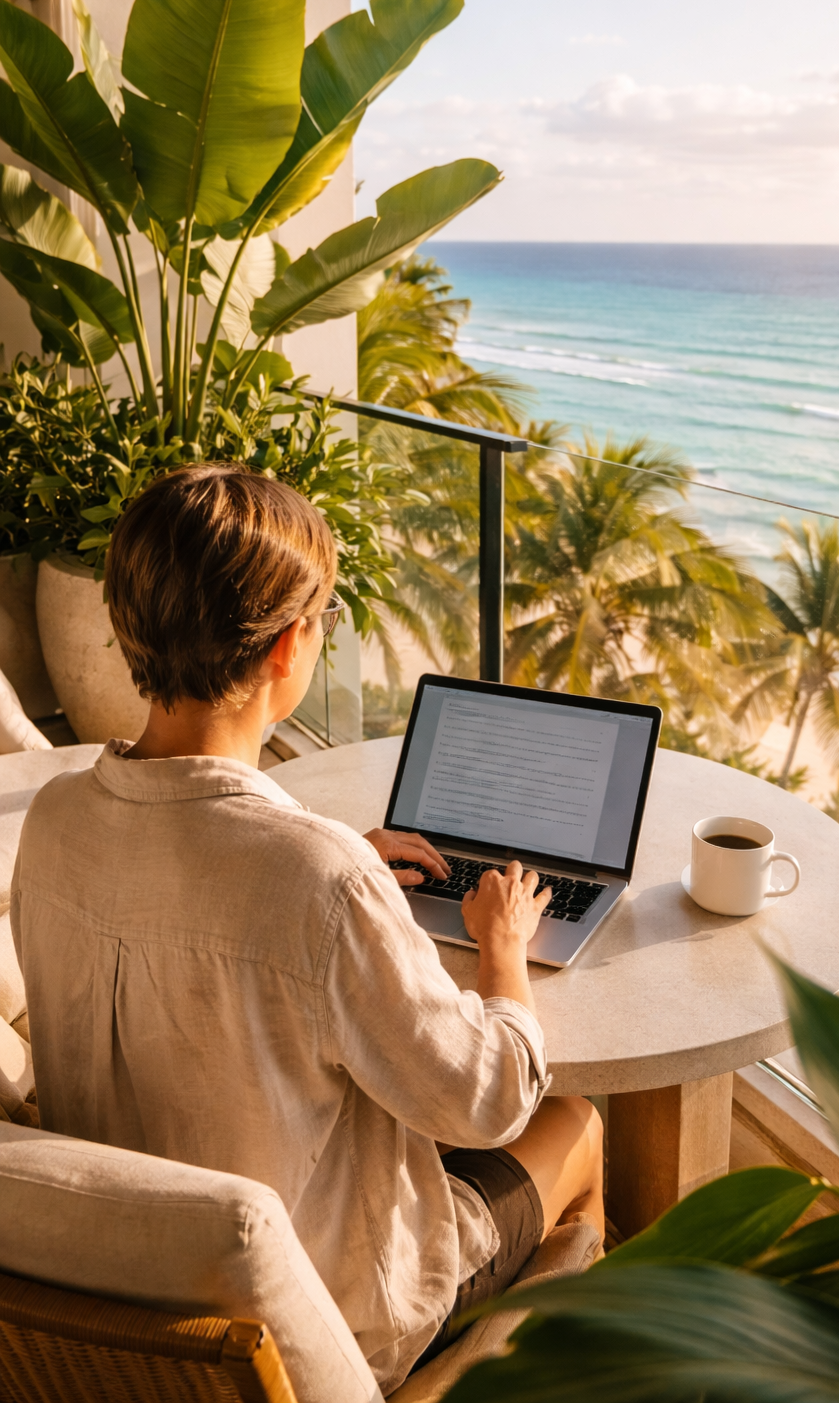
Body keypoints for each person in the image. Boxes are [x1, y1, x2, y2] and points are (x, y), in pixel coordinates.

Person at [11, 464, 603, 1393]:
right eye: (322, 618)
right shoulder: (319, 880)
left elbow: (200, 892)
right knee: (575, 1122)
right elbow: (488, 1101)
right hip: (337, 1316)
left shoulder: (52, 820)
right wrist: (501, 951)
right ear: (289, 648)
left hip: (131, 1291)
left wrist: (339, 869)